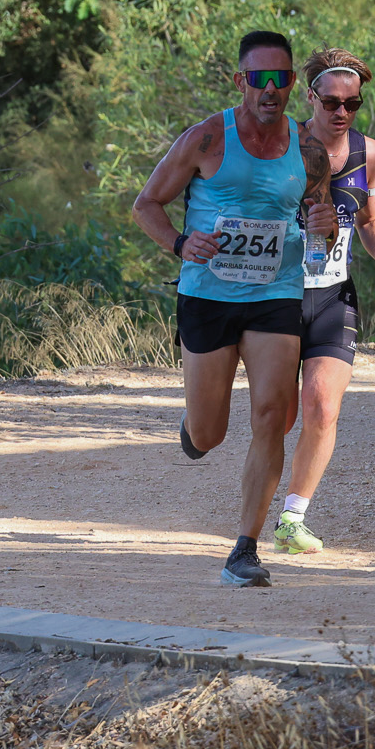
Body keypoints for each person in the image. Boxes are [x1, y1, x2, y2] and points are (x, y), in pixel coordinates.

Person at [132, 30, 336, 588]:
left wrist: (324, 226)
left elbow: (319, 229)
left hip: (275, 294)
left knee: (273, 415)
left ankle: (244, 549)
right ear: (241, 80)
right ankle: (193, 428)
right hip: (208, 295)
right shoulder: (206, 139)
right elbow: (146, 204)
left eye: (281, 78)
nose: (270, 89)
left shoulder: (308, 148)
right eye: (259, 78)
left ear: (292, 84)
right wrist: (180, 243)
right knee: (209, 433)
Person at [271, 49, 375, 556]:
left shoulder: (368, 152)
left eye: (352, 104)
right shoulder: (280, 145)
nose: (341, 112)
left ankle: (292, 519)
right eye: (331, 102)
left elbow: (371, 221)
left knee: (323, 407)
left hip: (334, 294)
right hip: (278, 295)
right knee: (279, 416)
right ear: (311, 97)